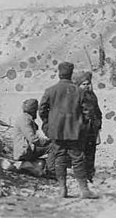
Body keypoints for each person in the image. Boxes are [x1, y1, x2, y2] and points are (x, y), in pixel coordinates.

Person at [39, 62, 96, 199]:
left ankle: (62, 190)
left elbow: (42, 111)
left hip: (57, 132)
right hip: (75, 133)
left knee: (60, 159)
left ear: (59, 74)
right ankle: (84, 190)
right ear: (71, 74)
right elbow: (88, 112)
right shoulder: (79, 91)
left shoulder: (50, 91)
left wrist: (48, 126)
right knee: (78, 159)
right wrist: (83, 128)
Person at [73, 71, 102, 183]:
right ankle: (81, 176)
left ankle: (90, 175)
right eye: (83, 84)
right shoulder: (75, 96)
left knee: (91, 152)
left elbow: (98, 111)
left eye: (88, 84)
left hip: (92, 128)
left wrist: (98, 124)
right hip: (81, 129)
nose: (86, 86)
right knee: (81, 152)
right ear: (79, 85)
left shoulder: (92, 95)